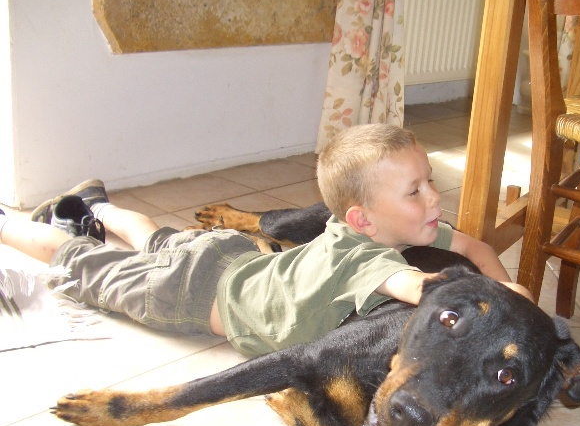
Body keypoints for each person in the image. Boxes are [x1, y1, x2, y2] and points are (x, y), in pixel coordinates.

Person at [0, 124, 531, 357]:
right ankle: (16, 223)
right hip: (189, 295)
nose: (434, 199)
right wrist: (498, 302)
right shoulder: (360, 253)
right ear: (361, 218)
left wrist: (510, 285)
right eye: (414, 191)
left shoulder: (398, 226)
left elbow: (476, 248)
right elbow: (419, 285)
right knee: (78, 261)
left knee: (158, 237)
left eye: (429, 182)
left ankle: (98, 204)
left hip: (231, 254)